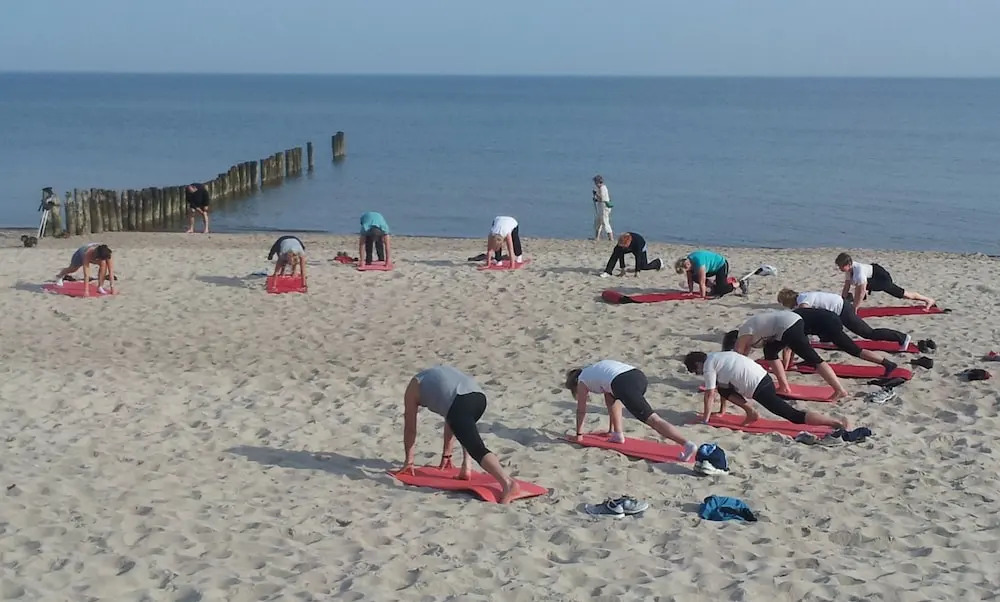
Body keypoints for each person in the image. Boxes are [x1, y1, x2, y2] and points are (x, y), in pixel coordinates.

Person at [401, 365, 520, 504]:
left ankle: (507, 483)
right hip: (479, 398)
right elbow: (451, 418)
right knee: (465, 430)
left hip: (460, 403)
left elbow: (410, 428)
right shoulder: (439, 375)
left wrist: (409, 462)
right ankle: (466, 467)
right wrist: (447, 455)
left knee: (476, 447)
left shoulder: (412, 389)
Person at [564, 360, 698, 460]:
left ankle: (687, 444)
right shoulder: (594, 369)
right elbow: (610, 398)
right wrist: (610, 430)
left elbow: (581, 410)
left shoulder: (582, 381)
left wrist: (579, 435)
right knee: (610, 396)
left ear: (574, 383)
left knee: (653, 420)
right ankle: (617, 434)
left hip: (624, 384)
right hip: (638, 376)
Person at [684, 351, 848, 429]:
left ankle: (835, 423)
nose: (698, 374)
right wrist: (721, 411)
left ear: (698, 364)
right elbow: (723, 389)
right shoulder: (717, 357)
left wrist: (705, 420)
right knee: (724, 389)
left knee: (793, 415)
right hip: (764, 377)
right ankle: (750, 412)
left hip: (758, 387)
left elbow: (709, 394)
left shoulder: (708, 366)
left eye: (696, 371)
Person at [725, 310, 849, 401]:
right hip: (787, 323)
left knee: (814, 359)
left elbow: (738, 358)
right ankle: (784, 387)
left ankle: (840, 390)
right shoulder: (748, 332)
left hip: (788, 325)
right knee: (770, 352)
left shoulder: (743, 334)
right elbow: (744, 357)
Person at [777, 288, 912, 351]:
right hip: (838, 309)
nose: (785, 306)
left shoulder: (803, 301)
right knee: (824, 328)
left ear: (788, 300)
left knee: (868, 333)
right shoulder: (803, 296)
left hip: (843, 309)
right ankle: (827, 340)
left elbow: (806, 314)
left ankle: (902, 337)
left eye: (784, 303)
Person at [835, 253, 935, 310]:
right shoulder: (849, 270)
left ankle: (929, 300)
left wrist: (854, 309)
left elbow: (860, 292)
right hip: (872, 275)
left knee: (903, 294)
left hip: (882, 278)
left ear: (849, 264)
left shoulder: (859, 272)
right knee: (859, 287)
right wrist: (842, 300)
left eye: (841, 266)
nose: (839, 268)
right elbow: (847, 286)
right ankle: (861, 295)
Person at [674, 249, 743, 298]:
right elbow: (690, 279)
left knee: (721, 290)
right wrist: (690, 292)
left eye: (686, 269)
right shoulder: (688, 262)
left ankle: (740, 283)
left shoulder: (700, 263)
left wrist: (702, 297)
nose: (687, 271)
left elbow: (702, 282)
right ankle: (713, 286)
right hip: (710, 268)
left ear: (688, 264)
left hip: (721, 265)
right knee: (694, 276)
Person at [592, 175, 613, 241]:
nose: (595, 184)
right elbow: (600, 199)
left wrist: (596, 194)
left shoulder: (603, 188)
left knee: (605, 221)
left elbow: (602, 199)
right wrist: (596, 199)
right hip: (601, 207)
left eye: (596, 182)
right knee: (598, 222)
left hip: (604, 208)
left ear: (598, 182)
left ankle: (611, 238)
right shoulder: (600, 188)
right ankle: (597, 237)